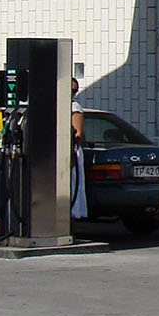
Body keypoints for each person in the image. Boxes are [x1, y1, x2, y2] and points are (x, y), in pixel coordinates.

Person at [69, 76, 87, 220]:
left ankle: (73, 214)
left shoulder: (74, 108)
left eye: (74, 90)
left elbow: (78, 134)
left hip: (70, 151)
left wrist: (71, 154)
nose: (72, 93)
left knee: (72, 185)